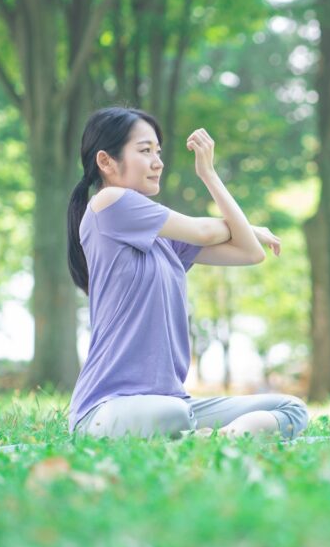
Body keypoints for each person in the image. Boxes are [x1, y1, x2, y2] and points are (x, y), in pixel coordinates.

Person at [66, 107, 308, 439]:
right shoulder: (108, 203)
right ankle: (204, 436)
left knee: (291, 407)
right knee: (173, 413)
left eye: (158, 152)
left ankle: (219, 439)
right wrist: (247, 225)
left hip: (172, 403)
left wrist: (210, 176)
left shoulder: (164, 241)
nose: (158, 162)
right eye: (145, 150)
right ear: (106, 162)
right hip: (105, 410)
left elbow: (250, 253)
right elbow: (205, 231)